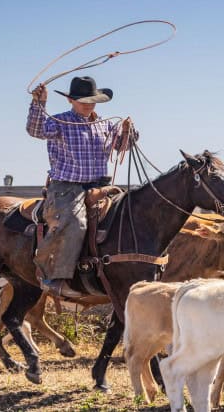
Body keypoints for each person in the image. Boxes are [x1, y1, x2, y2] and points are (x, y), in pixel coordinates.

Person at [26, 76, 135, 297]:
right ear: (70, 100)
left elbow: (124, 145)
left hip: (100, 186)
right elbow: (36, 130)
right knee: (74, 223)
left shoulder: (106, 124)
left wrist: (127, 131)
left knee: (129, 214)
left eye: (91, 100)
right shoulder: (59, 122)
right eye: (82, 100)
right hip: (67, 187)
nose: (87, 104)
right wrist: (39, 104)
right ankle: (54, 276)